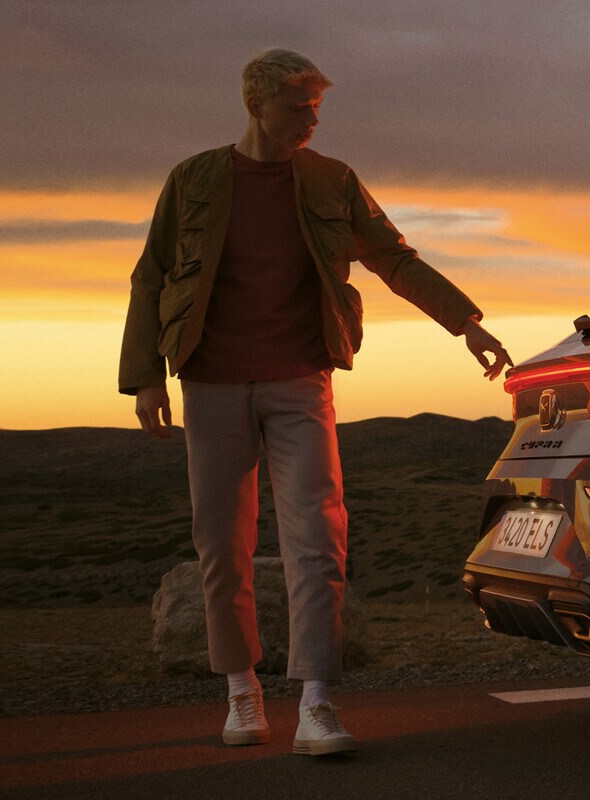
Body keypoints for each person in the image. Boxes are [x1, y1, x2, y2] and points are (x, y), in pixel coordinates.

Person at [116, 48, 509, 756]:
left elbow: (394, 257)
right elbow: (152, 276)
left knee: (318, 538)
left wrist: (466, 323)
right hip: (210, 378)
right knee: (222, 543)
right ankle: (243, 691)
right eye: (298, 107)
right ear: (256, 104)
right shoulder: (196, 179)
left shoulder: (332, 181)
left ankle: (318, 704)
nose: (311, 120)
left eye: (316, 108)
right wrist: (143, 375)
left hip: (301, 377)